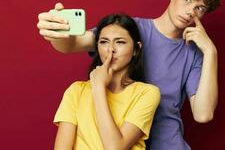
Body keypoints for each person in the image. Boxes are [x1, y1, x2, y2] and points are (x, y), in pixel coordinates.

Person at [38, 0, 221, 150]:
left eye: (200, 8)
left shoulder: (194, 53)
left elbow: (203, 114)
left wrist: (211, 52)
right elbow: (73, 44)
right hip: (119, 141)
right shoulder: (133, 29)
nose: (190, 11)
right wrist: (55, 32)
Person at [53, 14, 160, 150]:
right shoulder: (76, 90)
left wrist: (98, 87)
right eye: (104, 42)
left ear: (136, 49)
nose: (111, 49)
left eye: (120, 42)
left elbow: (114, 147)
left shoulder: (147, 93)